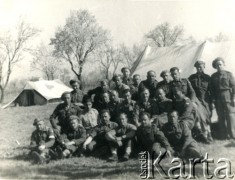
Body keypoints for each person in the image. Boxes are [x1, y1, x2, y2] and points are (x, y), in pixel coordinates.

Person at [211, 57, 235, 140]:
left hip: (227, 95)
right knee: (220, 116)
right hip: (218, 97)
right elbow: (212, 90)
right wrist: (213, 101)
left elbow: (234, 86)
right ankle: (223, 135)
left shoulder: (229, 74)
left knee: (230, 115)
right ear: (215, 67)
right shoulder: (213, 76)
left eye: (220, 64)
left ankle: (233, 134)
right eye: (217, 65)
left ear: (223, 64)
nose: (219, 66)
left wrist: (234, 98)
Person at [189, 60, 213, 142]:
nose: (199, 68)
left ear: (204, 67)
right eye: (197, 67)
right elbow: (189, 90)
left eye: (201, 66)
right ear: (195, 67)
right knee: (200, 116)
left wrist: (212, 101)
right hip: (197, 99)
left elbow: (211, 90)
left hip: (206, 100)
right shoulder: (191, 77)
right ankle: (205, 135)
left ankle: (209, 133)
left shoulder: (208, 77)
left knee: (207, 117)